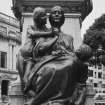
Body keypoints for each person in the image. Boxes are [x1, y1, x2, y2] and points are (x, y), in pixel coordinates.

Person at [21, 6, 91, 105]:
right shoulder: (43, 32)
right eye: (54, 12)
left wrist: (63, 54)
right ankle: (42, 99)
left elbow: (72, 54)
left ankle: (65, 98)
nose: (57, 14)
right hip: (45, 61)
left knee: (73, 63)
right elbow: (39, 50)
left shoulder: (69, 38)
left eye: (60, 12)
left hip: (64, 61)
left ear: (63, 18)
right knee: (52, 68)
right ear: (49, 17)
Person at [18, 7, 59, 89]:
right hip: (25, 55)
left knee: (28, 76)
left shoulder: (46, 30)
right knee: (26, 78)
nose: (46, 17)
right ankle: (29, 91)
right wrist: (50, 34)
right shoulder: (31, 27)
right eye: (43, 16)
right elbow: (33, 34)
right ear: (37, 18)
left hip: (32, 56)